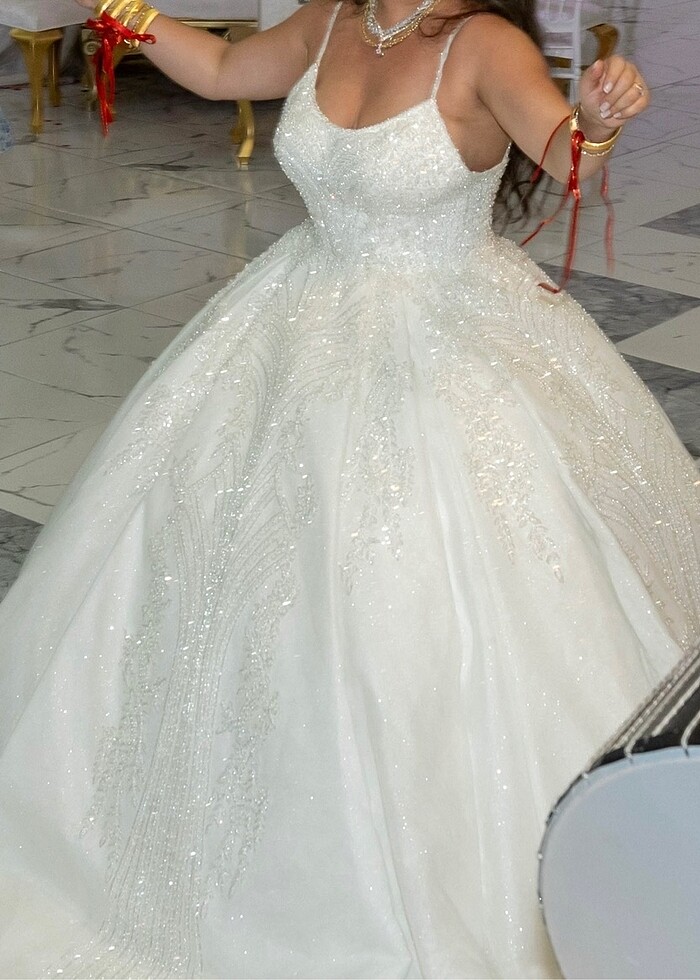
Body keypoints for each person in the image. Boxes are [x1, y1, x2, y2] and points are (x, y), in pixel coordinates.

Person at [0, 0, 698, 976]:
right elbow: (222, 72)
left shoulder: (482, 44)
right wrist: (118, 11)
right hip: (295, 315)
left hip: (441, 348)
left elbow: (567, 155)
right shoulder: (330, 19)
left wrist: (599, 116)